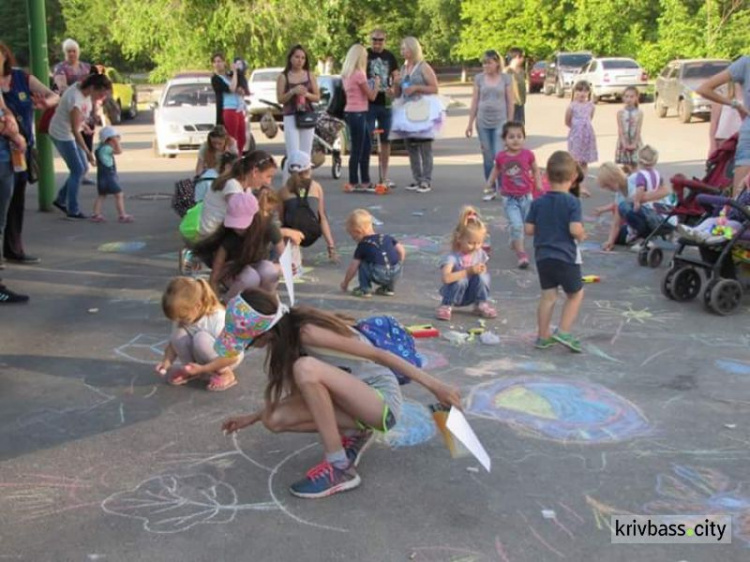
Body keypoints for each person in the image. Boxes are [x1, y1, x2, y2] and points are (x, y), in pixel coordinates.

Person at [218, 288, 462, 498]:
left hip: (380, 401)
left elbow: (380, 355)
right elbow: (310, 397)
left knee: (305, 368)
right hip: (353, 401)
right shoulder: (287, 339)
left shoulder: (306, 332)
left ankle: (339, 467)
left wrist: (436, 386)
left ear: (267, 332)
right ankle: (357, 432)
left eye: (249, 342)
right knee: (273, 419)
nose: (250, 347)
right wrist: (254, 417)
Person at [0, 41, 58, 264]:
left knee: (16, 200)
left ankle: (14, 249)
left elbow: (54, 96)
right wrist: (13, 133)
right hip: (8, 146)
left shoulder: (20, 78)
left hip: (20, 149)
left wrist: (45, 103)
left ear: (6, 56)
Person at [524, 151, 585, 352]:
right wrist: (581, 235)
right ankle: (564, 331)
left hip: (543, 257)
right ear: (573, 177)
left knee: (548, 296)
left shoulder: (538, 202)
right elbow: (574, 229)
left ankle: (542, 336)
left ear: (546, 177)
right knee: (575, 294)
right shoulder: (572, 202)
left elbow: (529, 230)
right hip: (566, 257)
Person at [156, 277, 239, 392]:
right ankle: (190, 370)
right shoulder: (184, 316)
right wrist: (166, 362)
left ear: (198, 306)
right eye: (176, 318)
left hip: (226, 359)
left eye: (183, 318)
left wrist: (203, 369)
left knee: (201, 339)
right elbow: (172, 345)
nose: (179, 321)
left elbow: (232, 356)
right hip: (203, 357)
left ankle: (226, 373)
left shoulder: (217, 318)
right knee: (178, 334)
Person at [49, 72, 112, 220]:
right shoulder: (75, 99)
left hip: (70, 132)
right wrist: (88, 152)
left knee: (82, 168)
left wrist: (84, 126)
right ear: (92, 88)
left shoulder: (85, 95)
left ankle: (60, 199)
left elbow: (77, 122)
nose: (101, 97)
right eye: (101, 93)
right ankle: (72, 210)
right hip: (62, 134)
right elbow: (74, 130)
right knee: (77, 170)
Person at [484, 121, 542, 269]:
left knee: (525, 226)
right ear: (504, 139)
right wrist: (489, 183)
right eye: (511, 137)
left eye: (519, 136)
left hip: (526, 197)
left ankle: (514, 239)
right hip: (509, 198)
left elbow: (535, 169)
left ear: (524, 138)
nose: (516, 140)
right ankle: (522, 255)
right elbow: (496, 170)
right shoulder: (501, 156)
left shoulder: (528, 154)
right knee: (517, 225)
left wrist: (538, 183)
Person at [208, 188, 282, 299]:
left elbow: (284, 258)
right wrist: (216, 303)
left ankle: (266, 302)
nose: (238, 229)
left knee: (268, 270)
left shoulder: (268, 227)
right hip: (234, 272)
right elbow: (215, 274)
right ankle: (230, 304)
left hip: (257, 270)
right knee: (250, 277)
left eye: (242, 224)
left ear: (255, 218)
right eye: (235, 224)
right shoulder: (230, 237)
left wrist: (285, 267)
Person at [596, 151, 673, 252]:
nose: (608, 189)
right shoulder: (619, 194)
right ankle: (640, 235)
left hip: (662, 216)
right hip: (648, 217)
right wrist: (610, 241)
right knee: (618, 237)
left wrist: (639, 199)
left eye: (608, 185)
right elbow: (616, 223)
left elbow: (666, 191)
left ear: (614, 178)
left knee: (624, 206)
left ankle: (647, 240)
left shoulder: (635, 179)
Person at [392, 37, 440, 193]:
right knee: (410, 146)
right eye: (401, 49)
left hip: (422, 110)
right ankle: (417, 178)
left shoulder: (423, 67)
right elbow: (398, 93)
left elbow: (434, 88)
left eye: (404, 48)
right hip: (407, 111)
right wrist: (396, 84)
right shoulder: (403, 68)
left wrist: (417, 87)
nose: (402, 52)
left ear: (413, 49)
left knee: (424, 146)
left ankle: (426, 179)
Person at [697, 59, 750, 194]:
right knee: (740, 202)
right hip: (748, 142)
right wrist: (735, 104)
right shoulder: (745, 64)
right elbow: (704, 89)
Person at [198, 150, 277, 239]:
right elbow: (240, 223)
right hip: (212, 237)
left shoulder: (245, 187)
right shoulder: (232, 185)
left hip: (220, 233)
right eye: (268, 176)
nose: (269, 182)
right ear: (255, 171)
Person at [436, 207, 496, 321]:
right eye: (471, 243)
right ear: (459, 238)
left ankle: (480, 303)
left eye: (479, 243)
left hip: (471, 293)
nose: (475, 247)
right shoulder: (452, 257)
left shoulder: (479, 253)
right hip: (455, 293)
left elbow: (483, 272)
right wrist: (468, 271)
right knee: (461, 279)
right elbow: (446, 278)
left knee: (483, 276)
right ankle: (446, 306)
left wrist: (481, 270)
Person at [277, 150, 338, 263]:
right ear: (309, 169)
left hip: (292, 234)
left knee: (286, 218)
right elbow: (322, 217)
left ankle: (291, 250)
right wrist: (331, 246)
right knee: (321, 213)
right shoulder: (316, 187)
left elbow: (281, 219)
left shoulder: (283, 191)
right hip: (312, 231)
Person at [466, 49, 514, 181]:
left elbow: (510, 101)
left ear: (497, 63)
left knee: (499, 155)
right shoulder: (479, 78)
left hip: (500, 121)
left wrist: (509, 123)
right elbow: (475, 100)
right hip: (483, 122)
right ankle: (490, 186)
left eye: (489, 63)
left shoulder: (506, 79)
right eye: (484, 63)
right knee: (487, 157)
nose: (486, 66)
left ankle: (503, 185)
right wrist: (470, 123)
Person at [52, 38, 97, 178]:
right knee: (75, 138)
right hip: (71, 106)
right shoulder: (60, 68)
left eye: (74, 51)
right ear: (65, 53)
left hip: (87, 107)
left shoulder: (86, 67)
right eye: (69, 51)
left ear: (78, 52)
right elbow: (62, 87)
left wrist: (95, 108)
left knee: (87, 138)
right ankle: (81, 171)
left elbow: (94, 87)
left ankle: (83, 170)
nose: (72, 54)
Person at [276, 45, 321, 182]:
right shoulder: (284, 77)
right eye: (296, 57)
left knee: (305, 155)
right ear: (290, 58)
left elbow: (317, 97)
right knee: (293, 154)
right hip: (291, 116)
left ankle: (304, 189)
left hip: (307, 116)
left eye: (302, 58)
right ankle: (288, 188)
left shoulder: (309, 75)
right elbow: (280, 99)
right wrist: (292, 92)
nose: (299, 60)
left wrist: (306, 94)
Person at [341, 44, 380, 192]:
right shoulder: (359, 74)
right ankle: (359, 180)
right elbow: (371, 96)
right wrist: (376, 84)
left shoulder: (346, 74)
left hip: (351, 111)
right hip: (359, 112)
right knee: (362, 148)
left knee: (360, 147)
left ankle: (359, 180)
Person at [341, 208, 405, 298]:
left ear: (358, 232)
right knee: (389, 263)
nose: (353, 239)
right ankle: (388, 288)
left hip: (379, 274)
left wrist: (345, 282)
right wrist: (399, 263)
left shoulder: (363, 245)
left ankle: (365, 289)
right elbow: (401, 250)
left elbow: (353, 267)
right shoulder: (386, 237)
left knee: (361, 262)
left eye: (353, 237)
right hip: (396, 273)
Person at [367, 29, 400, 189]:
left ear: (385, 41)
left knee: (386, 139)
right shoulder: (365, 55)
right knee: (366, 137)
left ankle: (385, 175)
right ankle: (365, 175)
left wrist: (394, 88)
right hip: (370, 102)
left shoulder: (390, 56)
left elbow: (396, 75)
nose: (377, 43)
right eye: (374, 40)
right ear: (370, 40)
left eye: (380, 40)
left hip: (385, 102)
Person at [90, 126, 133, 223]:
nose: (116, 142)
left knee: (102, 195)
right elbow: (119, 151)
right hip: (108, 176)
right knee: (119, 194)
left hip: (102, 176)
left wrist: (114, 139)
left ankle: (96, 214)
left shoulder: (100, 148)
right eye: (114, 140)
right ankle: (122, 215)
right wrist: (116, 142)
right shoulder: (106, 149)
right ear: (109, 140)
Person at [210, 53, 246, 153]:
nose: (217, 64)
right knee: (231, 138)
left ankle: (238, 158)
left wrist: (241, 90)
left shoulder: (228, 76)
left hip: (238, 108)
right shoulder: (216, 79)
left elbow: (237, 87)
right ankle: (230, 160)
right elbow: (231, 88)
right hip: (228, 109)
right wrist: (234, 72)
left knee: (241, 138)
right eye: (215, 62)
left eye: (220, 61)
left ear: (224, 62)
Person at [566, 80, 598, 191]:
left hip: (587, 136)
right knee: (575, 161)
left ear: (589, 92)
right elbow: (567, 121)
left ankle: (582, 185)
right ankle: (573, 183)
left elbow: (590, 118)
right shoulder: (572, 106)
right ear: (575, 91)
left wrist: (584, 128)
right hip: (575, 136)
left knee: (584, 161)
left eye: (585, 91)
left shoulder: (591, 106)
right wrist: (576, 128)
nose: (582, 93)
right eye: (579, 90)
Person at [708, 81, 743, 157]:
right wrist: (712, 146)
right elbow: (714, 122)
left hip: (745, 142)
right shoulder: (722, 92)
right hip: (724, 142)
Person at [615, 86, 643, 174]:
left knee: (635, 164)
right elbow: (620, 129)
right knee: (626, 165)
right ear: (623, 98)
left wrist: (634, 143)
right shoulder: (620, 113)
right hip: (624, 141)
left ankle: (634, 182)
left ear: (636, 98)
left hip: (635, 141)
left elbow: (638, 129)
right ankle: (626, 182)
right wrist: (624, 143)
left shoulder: (639, 113)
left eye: (631, 97)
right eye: (626, 96)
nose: (629, 99)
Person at [505, 47, 526, 125]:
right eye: (522, 57)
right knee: (510, 128)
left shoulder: (521, 72)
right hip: (510, 105)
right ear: (517, 57)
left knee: (520, 127)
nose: (523, 59)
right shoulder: (507, 72)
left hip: (520, 104)